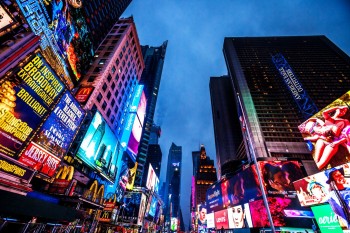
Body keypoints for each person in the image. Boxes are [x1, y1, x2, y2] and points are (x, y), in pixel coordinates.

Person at [299, 105, 350, 170]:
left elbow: (347, 135)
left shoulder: (345, 121)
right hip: (322, 139)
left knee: (321, 164)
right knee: (315, 161)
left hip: (333, 143)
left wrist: (337, 142)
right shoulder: (328, 118)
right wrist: (337, 107)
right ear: (337, 109)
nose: (342, 111)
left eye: (344, 111)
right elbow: (324, 112)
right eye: (342, 109)